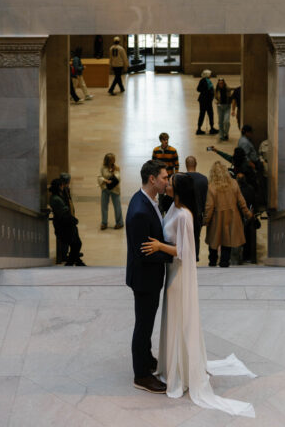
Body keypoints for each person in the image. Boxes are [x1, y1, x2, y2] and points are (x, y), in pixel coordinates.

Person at [140, 172, 255, 416]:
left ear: (178, 190)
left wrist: (160, 246)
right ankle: (172, 363)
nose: (166, 184)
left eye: (170, 182)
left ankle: (180, 371)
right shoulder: (172, 207)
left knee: (178, 320)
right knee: (171, 319)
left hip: (179, 276)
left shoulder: (185, 215)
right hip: (170, 273)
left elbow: (183, 251)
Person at [125, 159, 170, 393]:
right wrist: (171, 253)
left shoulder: (147, 199)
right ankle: (141, 375)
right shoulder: (140, 211)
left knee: (147, 322)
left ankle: (146, 358)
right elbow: (143, 253)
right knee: (143, 325)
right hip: (144, 279)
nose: (167, 181)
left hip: (148, 277)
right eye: (164, 177)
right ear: (152, 179)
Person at [203, 160, 251, 267]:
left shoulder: (211, 187)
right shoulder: (234, 183)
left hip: (216, 218)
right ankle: (224, 262)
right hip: (232, 217)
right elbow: (241, 201)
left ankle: (212, 261)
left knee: (213, 241)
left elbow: (209, 207)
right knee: (227, 241)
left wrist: (205, 220)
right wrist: (247, 213)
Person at [49, 175, 85, 266]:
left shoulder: (58, 196)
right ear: (59, 187)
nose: (63, 187)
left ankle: (76, 262)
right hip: (65, 226)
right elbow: (63, 213)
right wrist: (73, 220)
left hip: (67, 225)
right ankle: (71, 263)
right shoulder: (56, 199)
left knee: (75, 244)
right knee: (76, 244)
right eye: (61, 185)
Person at [184, 155, 208, 261]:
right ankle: (195, 257)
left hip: (183, 214)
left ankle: (185, 257)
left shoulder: (179, 178)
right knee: (195, 237)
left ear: (186, 165)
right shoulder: (204, 179)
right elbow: (206, 199)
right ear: (196, 164)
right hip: (198, 214)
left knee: (184, 237)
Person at [98, 152, 123, 230]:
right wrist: (105, 180)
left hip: (115, 189)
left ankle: (119, 222)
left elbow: (118, 177)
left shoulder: (116, 168)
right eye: (112, 160)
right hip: (105, 188)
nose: (113, 161)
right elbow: (99, 177)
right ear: (108, 160)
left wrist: (113, 174)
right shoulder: (103, 168)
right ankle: (104, 223)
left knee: (117, 206)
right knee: (104, 206)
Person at [196, 70, 217, 135]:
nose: (211, 75)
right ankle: (199, 129)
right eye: (210, 74)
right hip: (204, 100)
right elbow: (198, 89)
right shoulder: (203, 80)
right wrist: (206, 90)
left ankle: (212, 127)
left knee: (210, 114)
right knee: (203, 114)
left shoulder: (208, 81)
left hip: (208, 100)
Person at [214, 76, 232, 141]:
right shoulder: (216, 90)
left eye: (222, 83)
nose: (221, 84)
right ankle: (221, 135)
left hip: (227, 107)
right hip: (220, 107)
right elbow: (215, 97)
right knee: (220, 122)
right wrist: (216, 101)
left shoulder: (228, 89)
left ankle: (226, 133)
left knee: (226, 121)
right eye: (219, 83)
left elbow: (230, 97)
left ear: (224, 83)